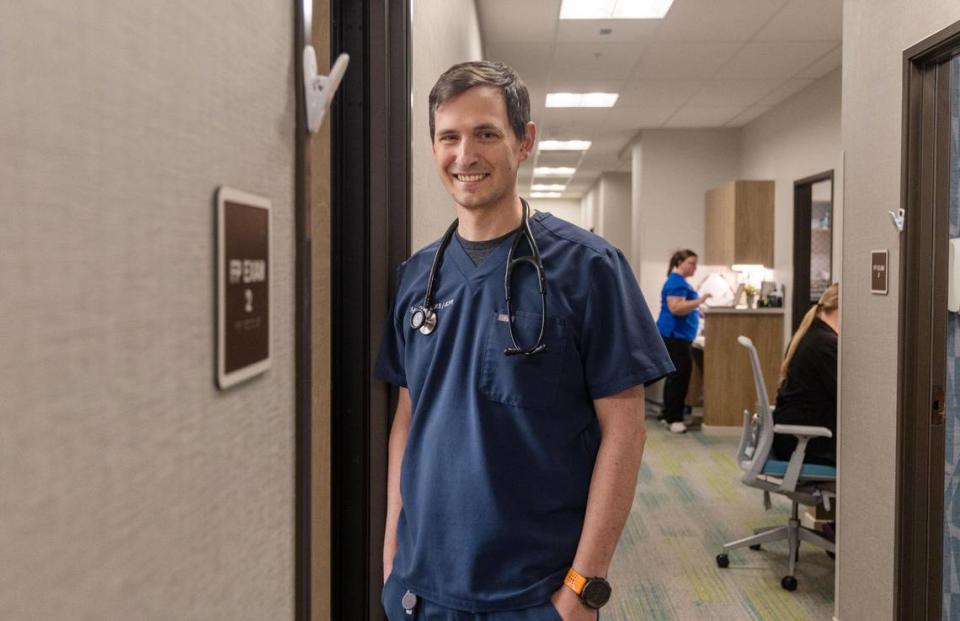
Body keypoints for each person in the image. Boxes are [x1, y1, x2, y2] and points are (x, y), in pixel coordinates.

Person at [374, 61, 674, 621]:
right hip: (420, 591)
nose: (466, 155)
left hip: (535, 594)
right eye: (449, 137)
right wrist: (392, 551)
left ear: (524, 140)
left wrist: (583, 588)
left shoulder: (590, 268)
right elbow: (407, 419)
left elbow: (626, 432)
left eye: (486, 133)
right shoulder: (417, 277)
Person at [772, 283, 839, 465]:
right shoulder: (826, 344)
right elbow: (844, 396)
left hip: (792, 437)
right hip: (803, 442)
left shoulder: (813, 333)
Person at [655, 250, 711, 434]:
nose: (694, 267)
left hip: (676, 336)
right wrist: (699, 301)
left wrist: (696, 310)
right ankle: (674, 419)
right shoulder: (676, 283)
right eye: (691, 263)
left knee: (674, 377)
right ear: (679, 262)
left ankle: (667, 414)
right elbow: (676, 308)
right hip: (674, 337)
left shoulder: (678, 282)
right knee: (679, 377)